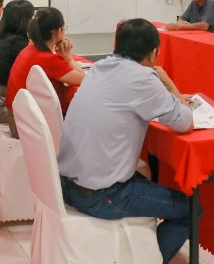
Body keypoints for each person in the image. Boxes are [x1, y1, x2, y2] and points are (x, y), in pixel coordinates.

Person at [57, 19, 194, 264]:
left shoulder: (99, 67)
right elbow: (185, 122)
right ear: (154, 53)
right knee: (190, 209)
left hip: (65, 184)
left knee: (146, 177)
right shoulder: (144, 78)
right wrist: (167, 82)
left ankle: (141, 252)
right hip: (99, 194)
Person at [5, 7, 86, 138]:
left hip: (17, 120)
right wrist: (67, 57)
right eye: (64, 28)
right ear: (57, 32)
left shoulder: (29, 50)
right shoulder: (47, 59)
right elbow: (83, 79)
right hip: (29, 127)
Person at [0, 0, 35, 124]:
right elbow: (33, 72)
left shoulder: (3, 37)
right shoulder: (17, 43)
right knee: (45, 114)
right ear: (25, 21)